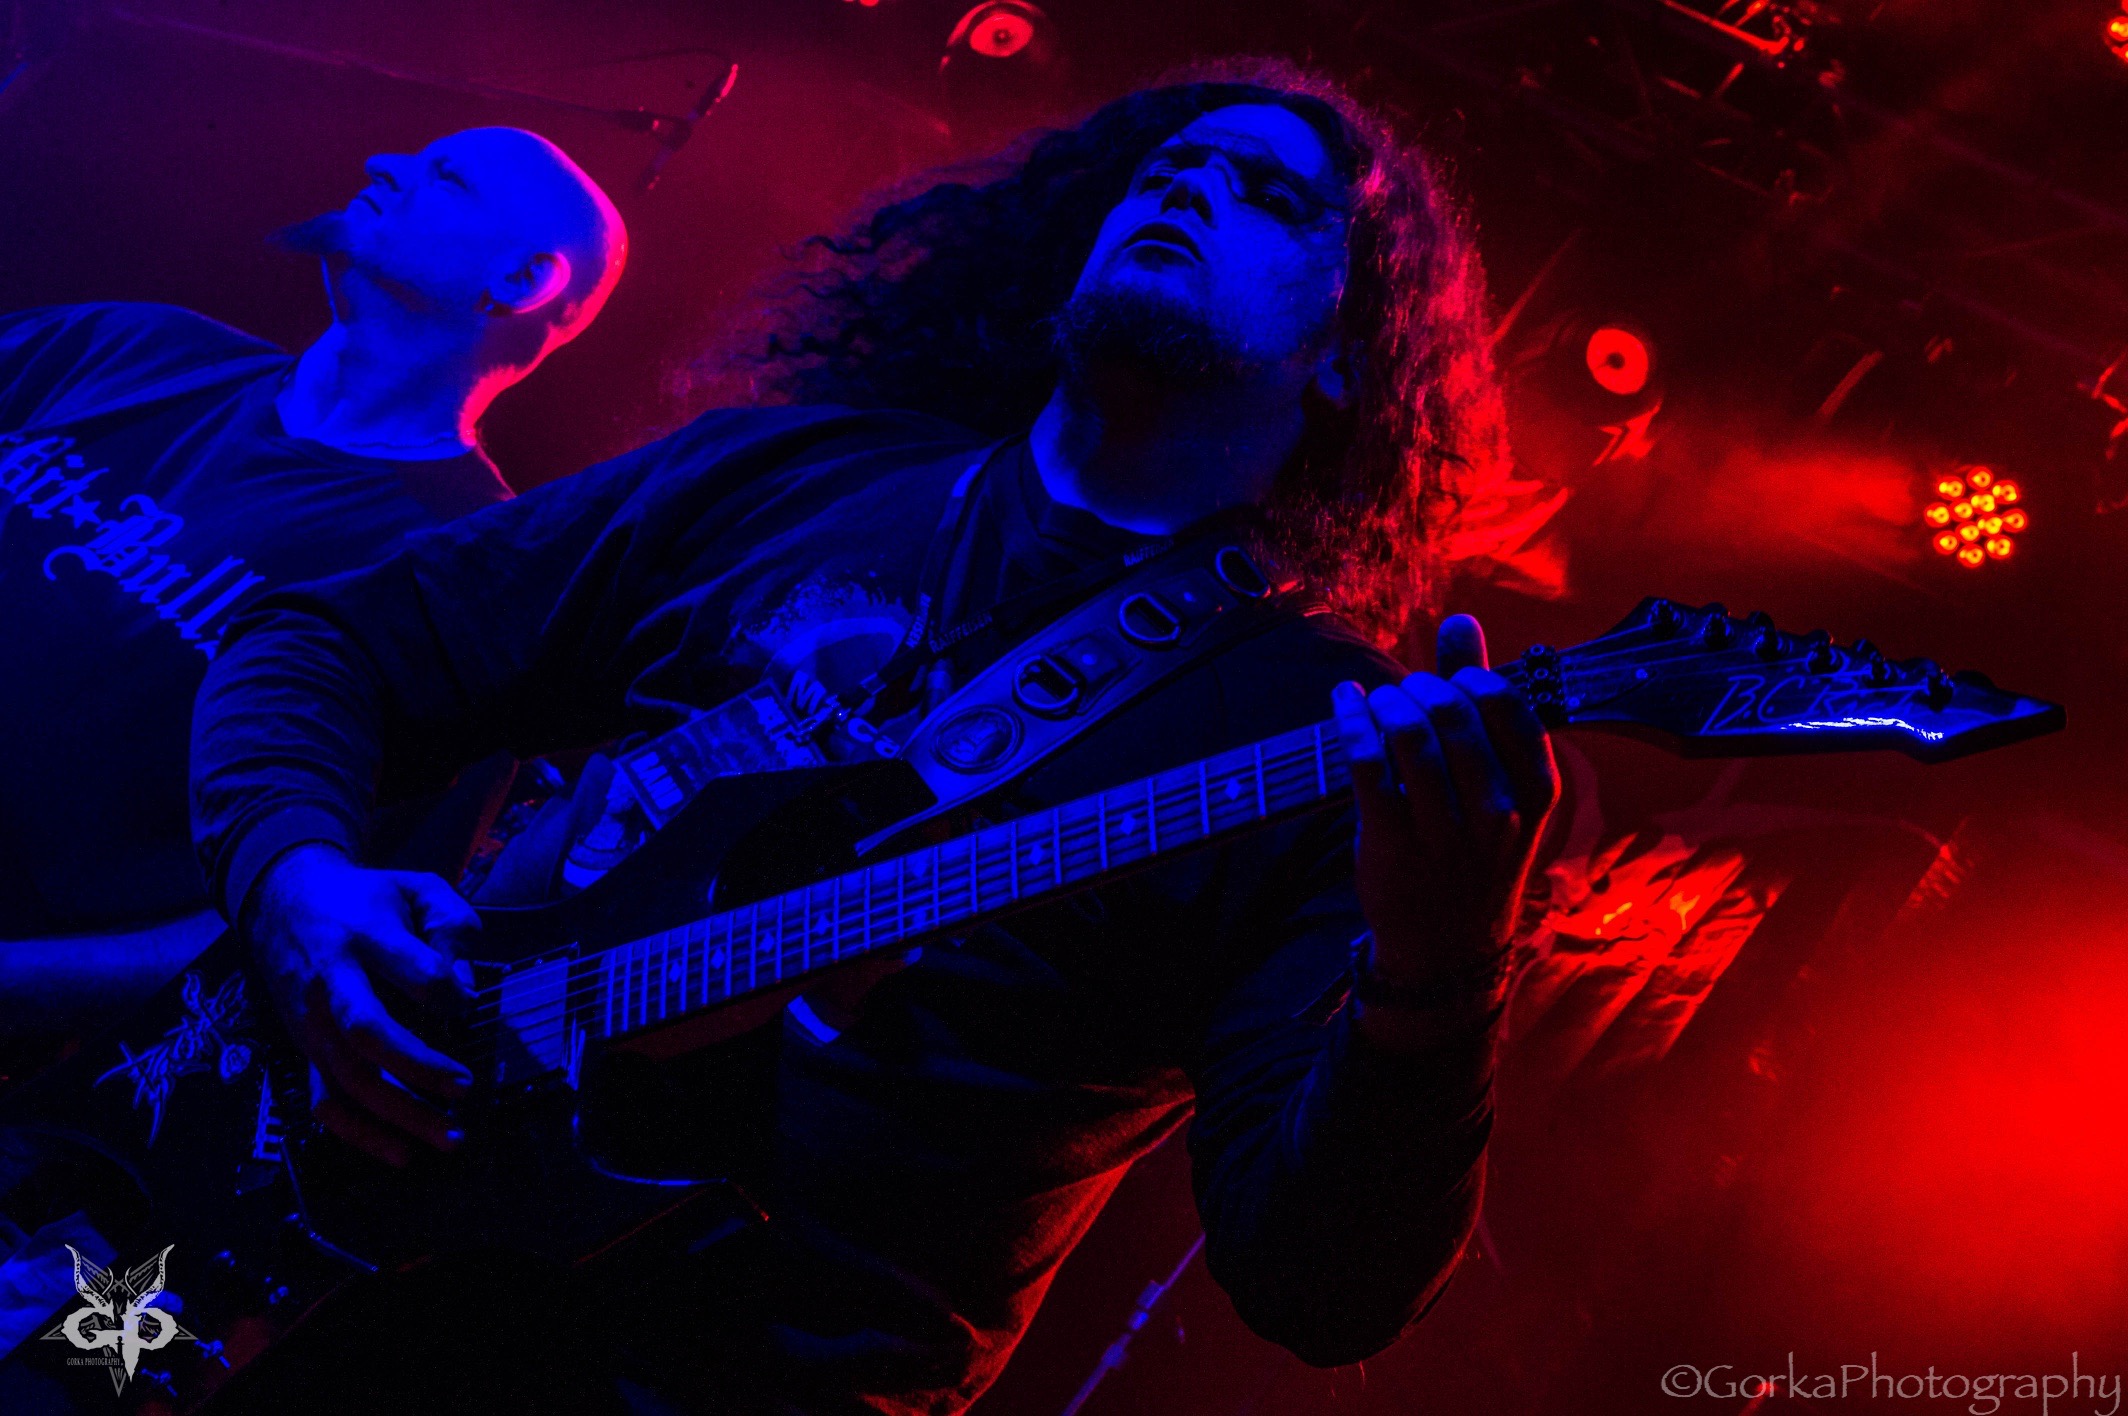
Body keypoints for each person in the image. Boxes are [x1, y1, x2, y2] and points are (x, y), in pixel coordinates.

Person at [189, 66, 1557, 1414]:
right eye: (1165, 168)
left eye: (1267, 195)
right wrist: (296, 887)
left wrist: (1439, 975)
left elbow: (1322, 1288)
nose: (1189, 188)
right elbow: (326, 643)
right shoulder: (793, 474)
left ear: (1352, 352)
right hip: (308, 1236)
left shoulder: (1316, 740)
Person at [0, 126, 626, 1029]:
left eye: (445, 176)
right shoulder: (130, 348)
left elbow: (285, 934)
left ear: (523, 279)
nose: (382, 164)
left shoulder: (466, 590)